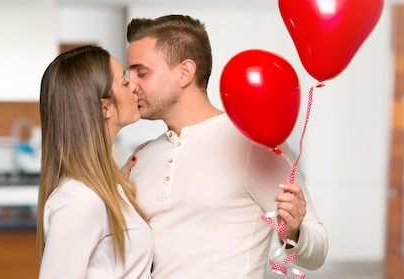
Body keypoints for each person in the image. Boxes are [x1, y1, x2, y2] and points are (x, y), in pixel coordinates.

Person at [124, 14, 329, 278]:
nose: (131, 83)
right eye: (129, 74)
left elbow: (318, 251)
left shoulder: (253, 143)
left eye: (142, 72)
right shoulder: (141, 157)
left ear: (185, 72)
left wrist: (294, 231)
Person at [36, 45, 153, 279]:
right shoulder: (80, 198)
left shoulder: (101, 190)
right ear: (105, 107)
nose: (134, 86)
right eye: (123, 82)